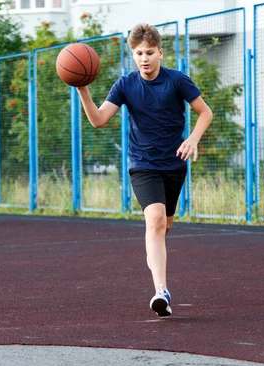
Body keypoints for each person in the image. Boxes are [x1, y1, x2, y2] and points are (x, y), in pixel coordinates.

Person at [76, 23, 213, 317]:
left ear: (160, 52)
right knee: (155, 220)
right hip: (142, 164)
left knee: (164, 227)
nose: (144, 58)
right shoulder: (125, 85)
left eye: (149, 52)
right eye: (138, 53)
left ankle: (154, 254)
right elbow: (98, 120)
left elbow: (206, 112)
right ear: (133, 55)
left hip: (174, 164)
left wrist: (192, 139)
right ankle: (161, 291)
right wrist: (82, 89)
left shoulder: (177, 81)